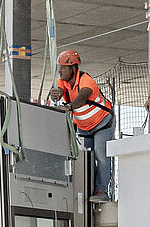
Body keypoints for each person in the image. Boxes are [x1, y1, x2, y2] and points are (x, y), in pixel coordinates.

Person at [47, 50, 115, 202]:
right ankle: (88, 189)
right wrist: (56, 94)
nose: (60, 70)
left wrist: (70, 107)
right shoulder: (62, 82)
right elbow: (60, 90)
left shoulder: (86, 80)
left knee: (101, 156)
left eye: (63, 67)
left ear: (73, 67)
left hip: (102, 123)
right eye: (60, 67)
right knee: (86, 158)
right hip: (84, 127)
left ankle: (102, 191)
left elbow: (82, 97)